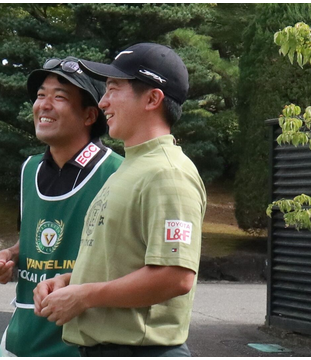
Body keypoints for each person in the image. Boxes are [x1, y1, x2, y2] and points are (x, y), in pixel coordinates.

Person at [33, 43, 207, 357]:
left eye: (114, 88)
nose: (102, 102)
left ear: (153, 98)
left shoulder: (167, 173)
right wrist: (72, 282)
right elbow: (125, 261)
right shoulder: (132, 166)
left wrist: (85, 296)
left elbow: (175, 276)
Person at [0, 57, 123, 356]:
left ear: (89, 116)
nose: (43, 105)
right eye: (40, 95)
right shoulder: (29, 169)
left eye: (59, 97)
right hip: (23, 336)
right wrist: (8, 256)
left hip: (81, 341)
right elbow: (36, 241)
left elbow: (127, 261)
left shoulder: (117, 172)